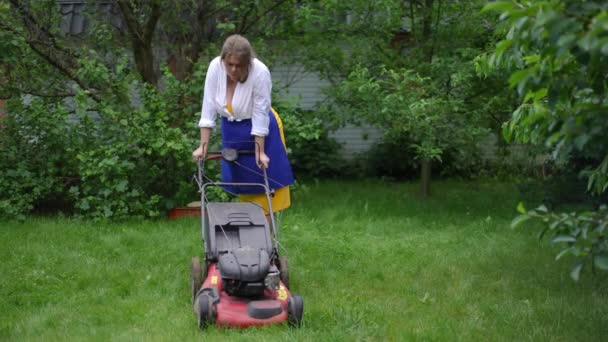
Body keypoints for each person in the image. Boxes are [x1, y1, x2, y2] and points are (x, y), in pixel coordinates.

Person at [192, 34, 294, 216]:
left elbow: (260, 112)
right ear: (223, 60)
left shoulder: (260, 72)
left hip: (261, 127)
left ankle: (266, 239)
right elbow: (208, 106)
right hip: (232, 129)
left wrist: (260, 151)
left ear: (248, 63)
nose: (233, 69)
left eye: (238, 65)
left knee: (265, 186)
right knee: (245, 184)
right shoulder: (215, 67)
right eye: (229, 64)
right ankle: (247, 232)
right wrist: (203, 146)